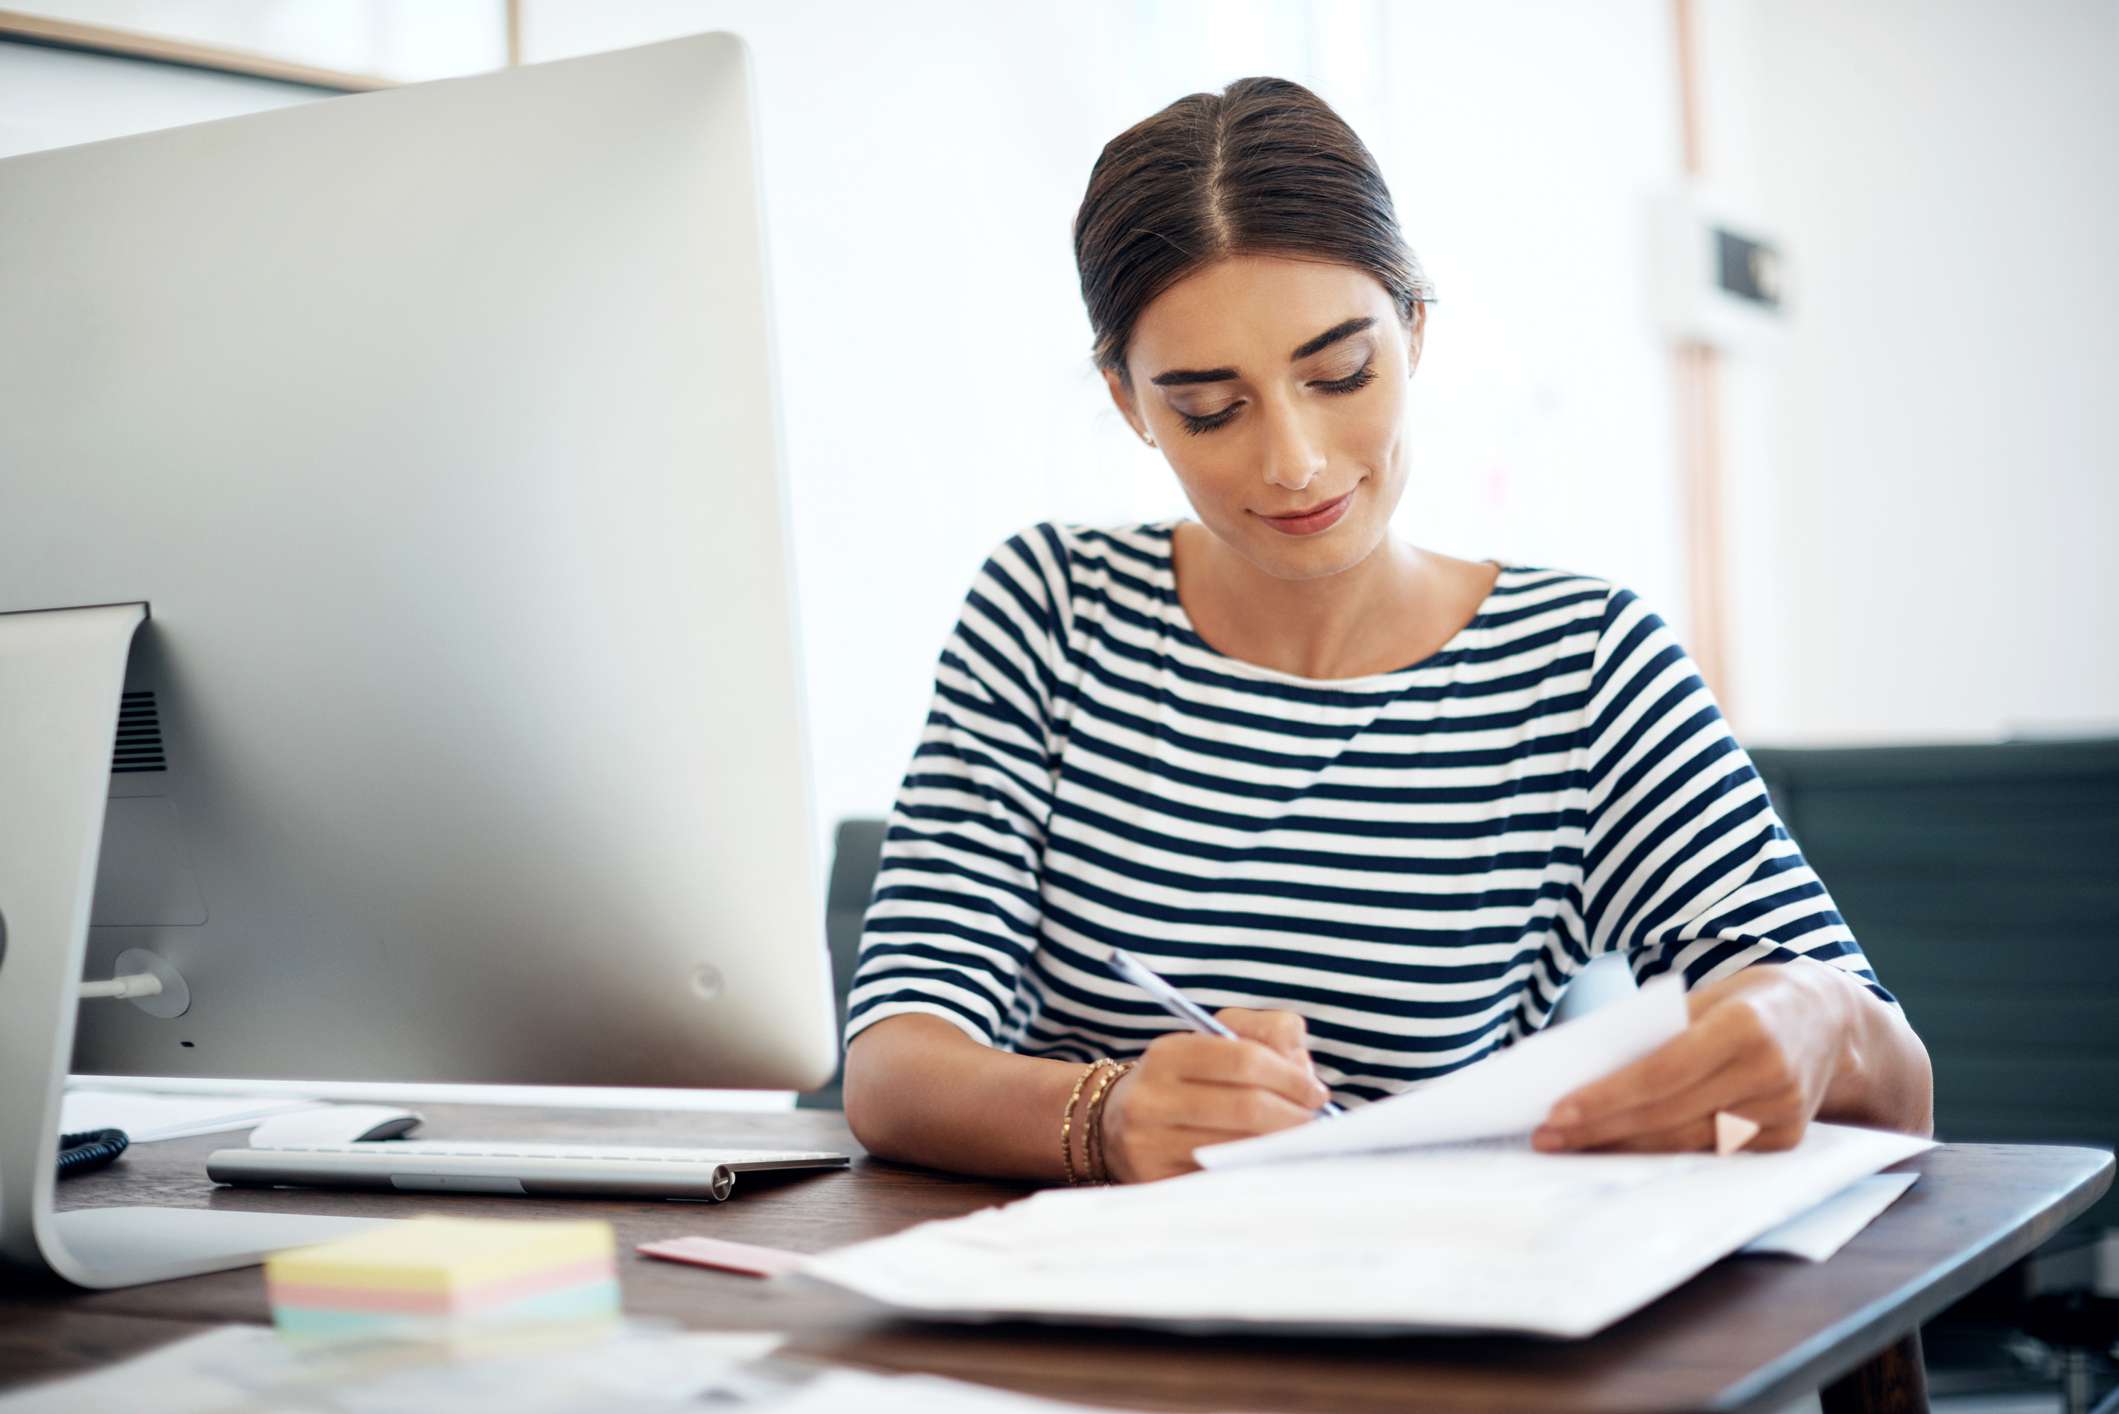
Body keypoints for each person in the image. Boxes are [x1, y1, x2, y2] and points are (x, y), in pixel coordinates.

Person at [841, 76, 1932, 1185]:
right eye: (1208, 409)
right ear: (1129, 403)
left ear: (1412, 330)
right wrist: (1105, 1113)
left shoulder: (1580, 664)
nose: (1295, 460)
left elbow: (1899, 1087)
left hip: (1426, 1319)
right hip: (1066, 1313)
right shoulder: (1048, 613)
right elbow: (895, 1063)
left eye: (1340, 372)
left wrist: (1809, 1016)